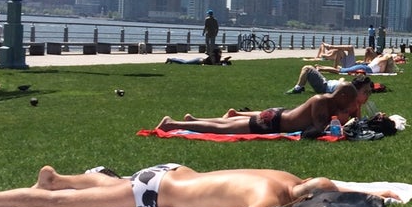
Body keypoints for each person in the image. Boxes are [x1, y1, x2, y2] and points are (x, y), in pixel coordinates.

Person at [0, 163, 398, 207]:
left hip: (172, 171)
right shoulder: (269, 197)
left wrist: (371, 195)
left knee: (113, 184)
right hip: (152, 195)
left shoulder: (286, 178)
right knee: (54, 205)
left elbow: (327, 184)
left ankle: (58, 177)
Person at [156, 74, 373, 137]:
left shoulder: (330, 103)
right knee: (224, 129)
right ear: (343, 96)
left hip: (278, 117)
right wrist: (339, 127)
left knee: (236, 121)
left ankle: (193, 121)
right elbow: (312, 131)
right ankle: (171, 124)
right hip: (273, 122)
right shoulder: (321, 101)